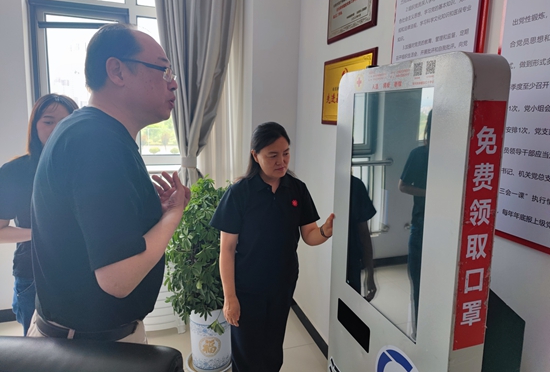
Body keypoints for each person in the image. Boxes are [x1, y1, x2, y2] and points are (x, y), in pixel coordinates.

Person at [27, 23, 191, 343]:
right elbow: (118, 279)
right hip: (89, 347)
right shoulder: (97, 142)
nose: (173, 84)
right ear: (117, 71)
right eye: (163, 70)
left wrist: (147, 212)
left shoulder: (91, 131)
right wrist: (174, 214)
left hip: (85, 337)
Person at [211, 122, 335, 372]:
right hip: (247, 287)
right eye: (273, 155)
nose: (282, 161)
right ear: (255, 156)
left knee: (272, 348)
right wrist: (230, 298)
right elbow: (227, 249)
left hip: (282, 283)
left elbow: (309, 234)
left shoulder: (297, 189)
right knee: (247, 352)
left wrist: (325, 232)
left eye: (286, 153)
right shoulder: (239, 193)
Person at [0, 93, 78, 335]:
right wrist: (39, 233)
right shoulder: (14, 172)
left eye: (65, 121)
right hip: (33, 275)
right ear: (35, 126)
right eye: (48, 121)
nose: (56, 128)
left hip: (81, 271)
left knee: (81, 348)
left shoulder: (86, 167)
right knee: (37, 349)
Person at [398, 109, 432, 336]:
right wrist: (430, 194)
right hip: (421, 225)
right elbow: (403, 186)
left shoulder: (457, 154)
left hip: (447, 229)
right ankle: (419, 333)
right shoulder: (420, 154)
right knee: (419, 282)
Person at [347, 174, 377, 301]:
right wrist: (370, 274)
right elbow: (363, 232)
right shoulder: (354, 185)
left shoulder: (355, 185)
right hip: (344, 259)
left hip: (351, 259)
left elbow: (363, 232)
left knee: (352, 304)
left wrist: (370, 274)